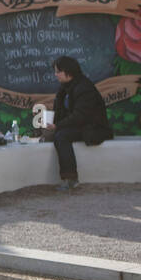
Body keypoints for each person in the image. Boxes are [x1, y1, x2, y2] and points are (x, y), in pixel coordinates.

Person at [43, 55, 113, 191]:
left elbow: (80, 115)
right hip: (79, 126)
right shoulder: (64, 88)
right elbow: (60, 111)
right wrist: (51, 125)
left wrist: (58, 126)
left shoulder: (84, 87)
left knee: (61, 136)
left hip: (93, 128)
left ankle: (70, 178)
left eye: (58, 71)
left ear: (68, 71)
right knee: (55, 135)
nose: (55, 75)